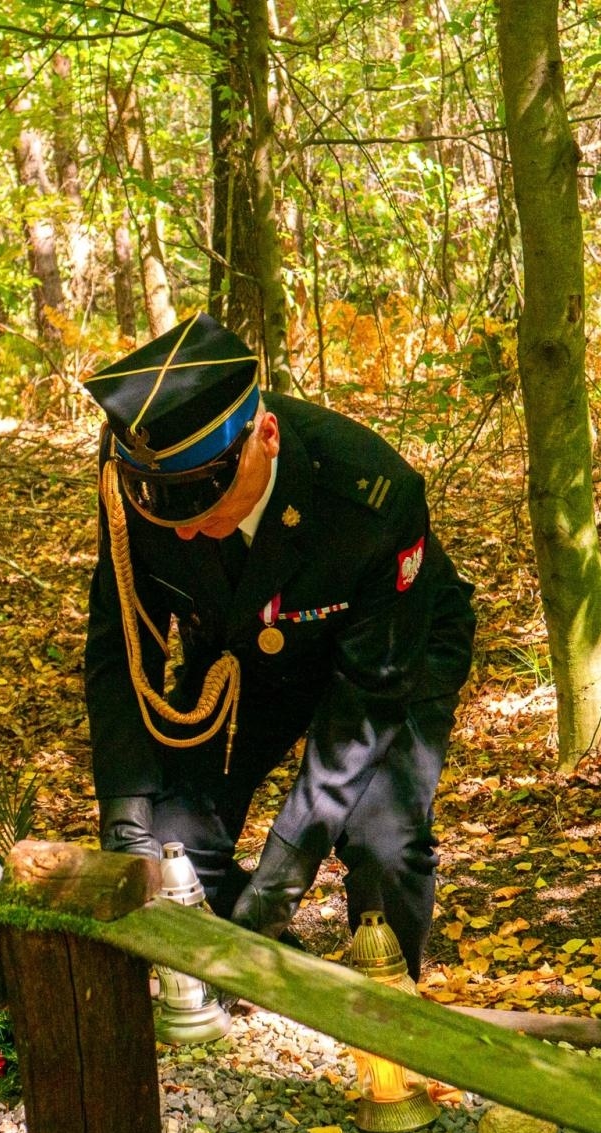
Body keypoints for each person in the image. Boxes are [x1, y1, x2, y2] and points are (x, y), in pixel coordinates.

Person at [84, 313, 476, 977]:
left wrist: (288, 867)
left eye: (205, 508)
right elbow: (123, 639)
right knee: (172, 843)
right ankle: (278, 975)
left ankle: (391, 1008)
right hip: (244, 656)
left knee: (382, 843)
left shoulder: (370, 494)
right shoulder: (132, 476)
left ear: (264, 436)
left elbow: (367, 701)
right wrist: (125, 809)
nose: (183, 536)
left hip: (391, 650)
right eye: (166, 515)